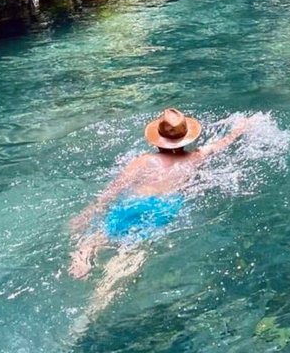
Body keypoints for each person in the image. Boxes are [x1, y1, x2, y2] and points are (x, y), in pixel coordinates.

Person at [69, 108, 249, 316]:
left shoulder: (143, 160)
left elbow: (114, 189)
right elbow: (221, 144)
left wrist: (90, 210)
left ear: (157, 140)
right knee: (130, 255)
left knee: (102, 233)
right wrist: (241, 128)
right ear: (186, 138)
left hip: (133, 203)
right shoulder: (195, 158)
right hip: (161, 209)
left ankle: (84, 256)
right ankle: (95, 306)